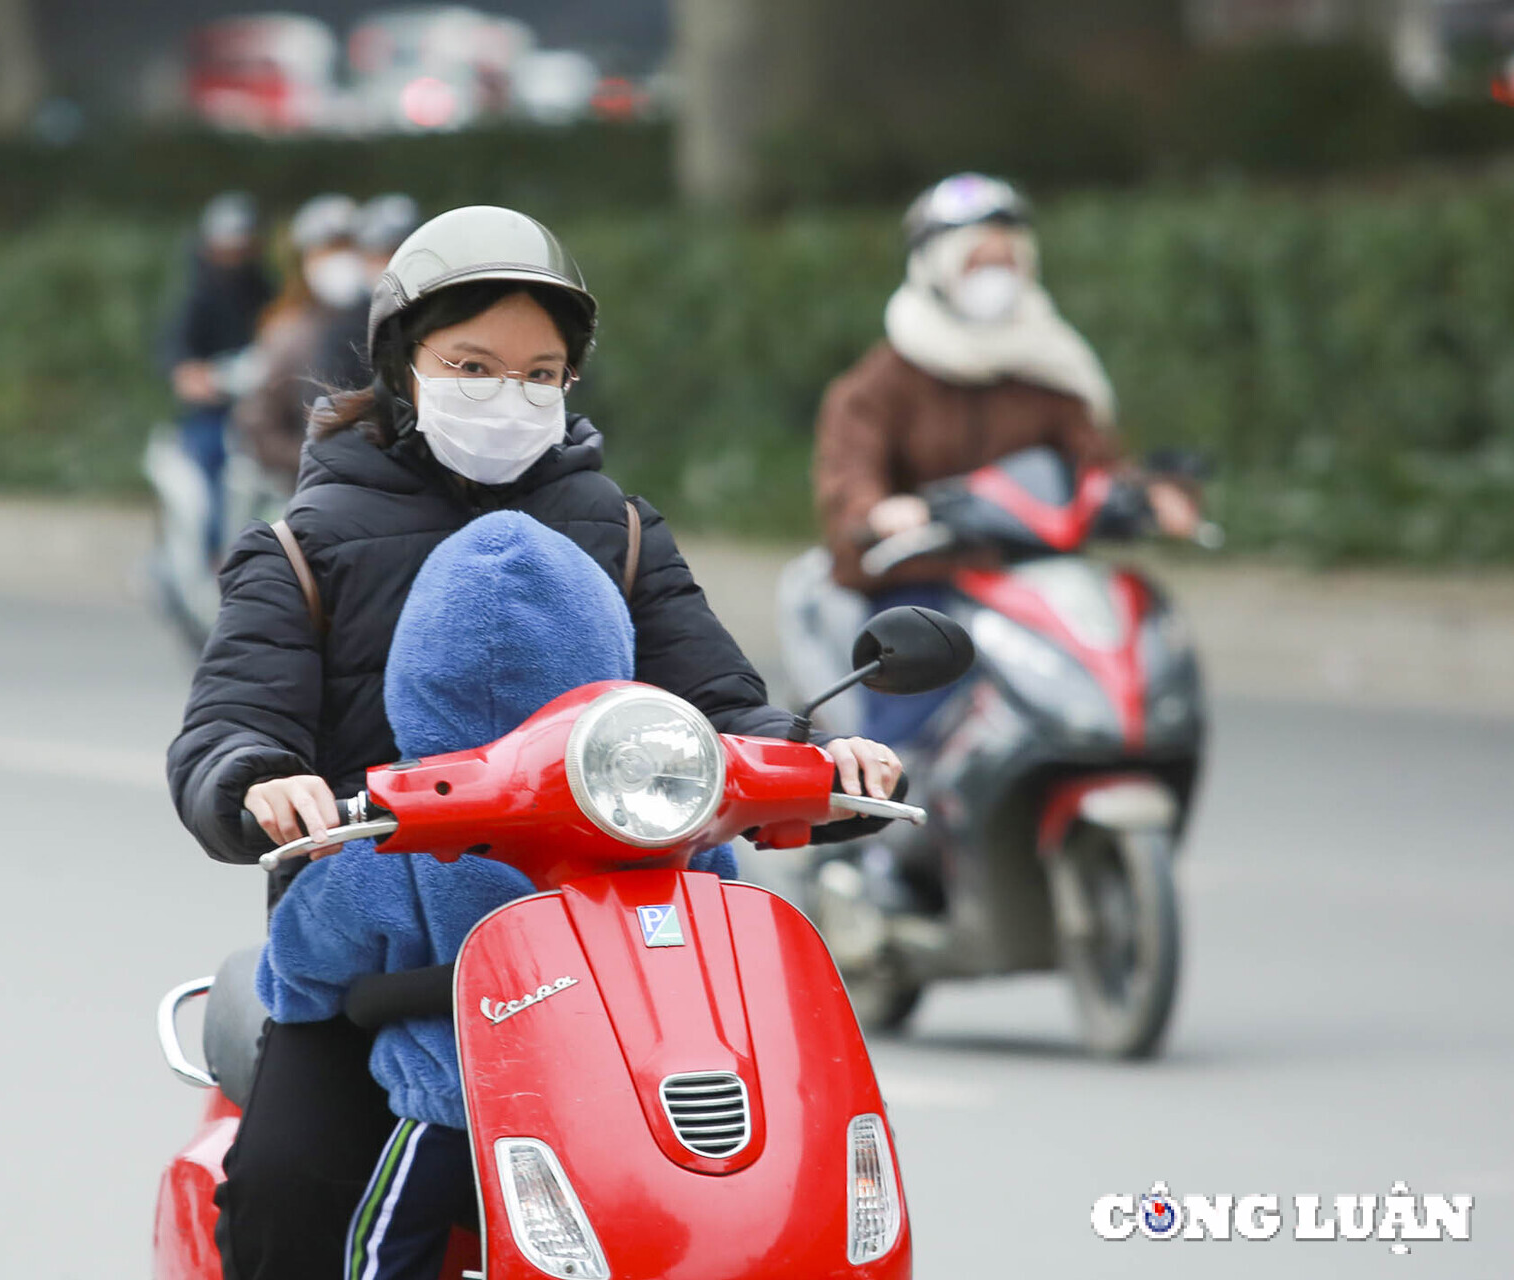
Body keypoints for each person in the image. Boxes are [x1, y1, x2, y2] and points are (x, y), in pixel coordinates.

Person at [167, 204, 901, 1280]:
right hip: (383, 965)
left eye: (541, 372)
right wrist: (263, 781)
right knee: (284, 1196)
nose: (509, 395)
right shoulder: (301, 549)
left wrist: (818, 759)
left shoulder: (622, 530)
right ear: (401, 364)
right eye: (474, 362)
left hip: (618, 945)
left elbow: (719, 702)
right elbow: (230, 723)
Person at [257, 510, 738, 1280]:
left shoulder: (401, 835)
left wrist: (297, 993)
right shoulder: (653, 819)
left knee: (386, 1247)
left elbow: (303, 966)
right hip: (622, 1103)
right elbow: (725, 919)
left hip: (452, 1104)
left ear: (418, 668)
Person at [812, 172, 1198, 745]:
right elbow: (849, 478)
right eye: (977, 262)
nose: (995, 276)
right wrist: (879, 512)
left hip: (1029, 578)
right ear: (937, 268)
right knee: (905, 715)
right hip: (926, 577)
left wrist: (1153, 495)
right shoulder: (882, 381)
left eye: (1007, 260)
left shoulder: (1049, 365)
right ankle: (881, 816)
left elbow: (1098, 463)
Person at [165, 192, 276, 555]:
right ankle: (215, 553)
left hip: (260, 407)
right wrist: (199, 379)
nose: (235, 255)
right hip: (215, 413)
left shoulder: (265, 292)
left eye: (242, 246)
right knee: (214, 461)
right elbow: (178, 359)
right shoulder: (196, 297)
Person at [231, 192, 367, 488]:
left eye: (348, 247)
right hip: (301, 486)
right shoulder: (286, 331)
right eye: (328, 250)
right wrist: (323, 461)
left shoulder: (381, 324)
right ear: (304, 261)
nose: (341, 260)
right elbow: (259, 426)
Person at [310, 192, 422, 389]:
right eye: (382, 253)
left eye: (401, 251)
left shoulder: (444, 315)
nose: (392, 262)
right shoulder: (344, 331)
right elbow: (330, 407)